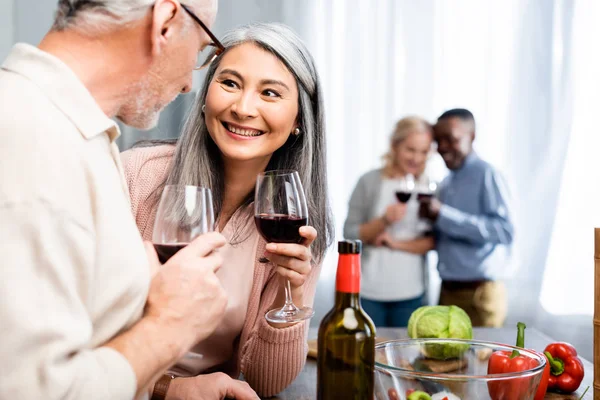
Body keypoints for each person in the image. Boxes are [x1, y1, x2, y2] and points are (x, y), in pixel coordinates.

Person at [0, 1, 258, 399]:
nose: (191, 82)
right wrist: (171, 325)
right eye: (202, 49)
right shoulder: (33, 138)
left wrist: (169, 389)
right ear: (166, 22)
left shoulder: (75, 134)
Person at [121, 22, 334, 398]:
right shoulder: (136, 175)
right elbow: (79, 337)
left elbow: (266, 383)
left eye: (270, 92)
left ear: (300, 119)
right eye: (230, 83)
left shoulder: (301, 220)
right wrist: (170, 388)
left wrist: (293, 291)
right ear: (205, 96)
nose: (243, 108)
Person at [420, 108, 514, 327]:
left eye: (450, 139)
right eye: (438, 140)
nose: (442, 147)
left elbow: (504, 231)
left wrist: (443, 214)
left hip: (480, 296)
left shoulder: (487, 174)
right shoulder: (445, 182)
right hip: (447, 291)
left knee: (483, 361)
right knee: (445, 360)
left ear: (471, 136)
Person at [343, 117, 435, 327]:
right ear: (395, 146)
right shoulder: (369, 181)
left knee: (405, 357)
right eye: (410, 149)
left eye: (423, 152)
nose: (417, 158)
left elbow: (433, 242)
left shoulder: (430, 187)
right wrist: (384, 220)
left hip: (411, 291)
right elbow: (349, 233)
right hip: (369, 291)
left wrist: (394, 243)